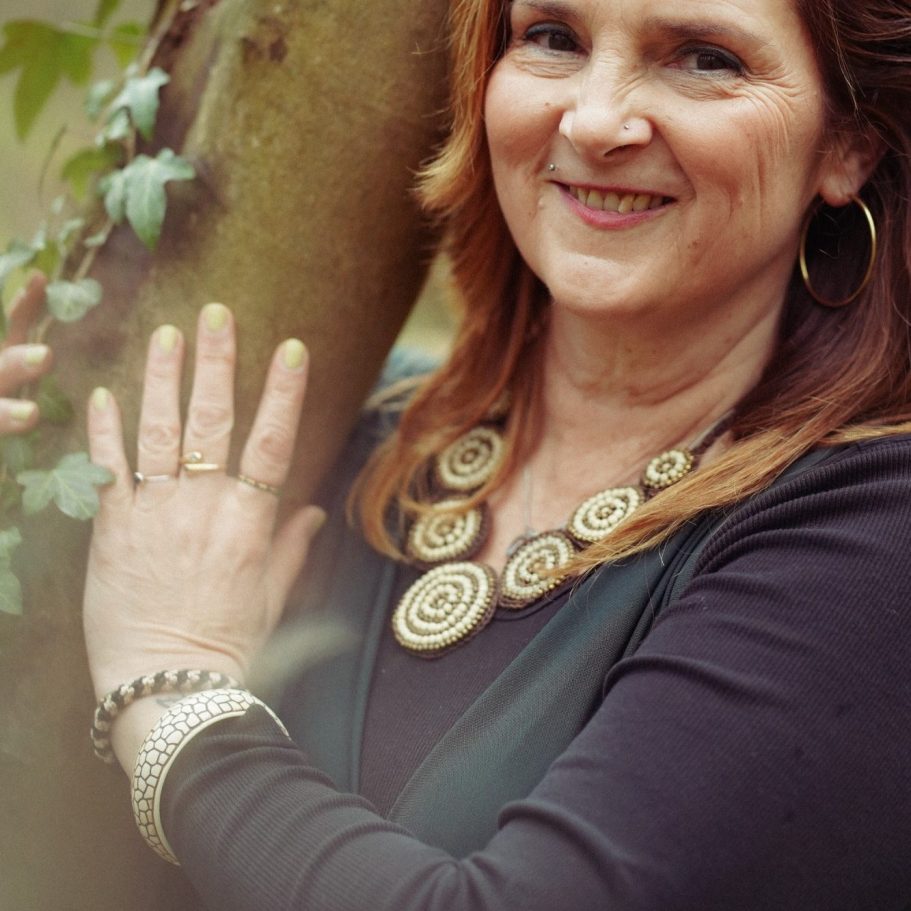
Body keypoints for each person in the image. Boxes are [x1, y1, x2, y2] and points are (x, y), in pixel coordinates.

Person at [64, 0, 911, 907]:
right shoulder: (338, 429)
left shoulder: (869, 539)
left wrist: (175, 694)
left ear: (847, 144)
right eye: (552, 38)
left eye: (704, 58)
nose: (592, 120)